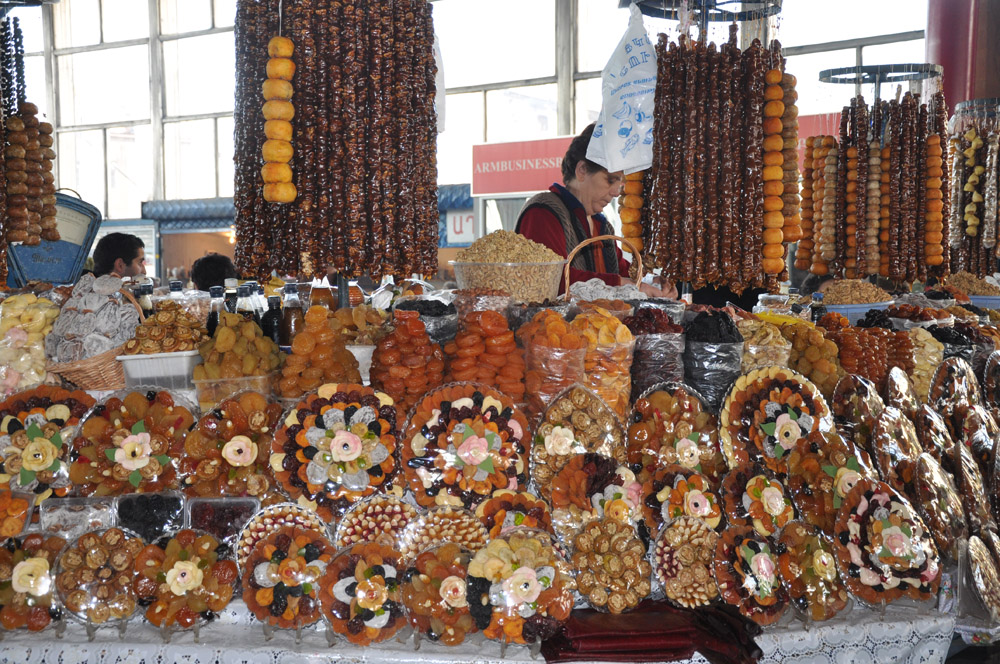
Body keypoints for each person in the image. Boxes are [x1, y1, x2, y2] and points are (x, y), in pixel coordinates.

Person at [516, 123, 675, 298]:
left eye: (620, 184)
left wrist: (653, 283)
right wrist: (622, 285)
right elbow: (550, 280)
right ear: (582, 170)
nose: (616, 192)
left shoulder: (601, 225)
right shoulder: (543, 212)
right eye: (610, 180)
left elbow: (622, 272)